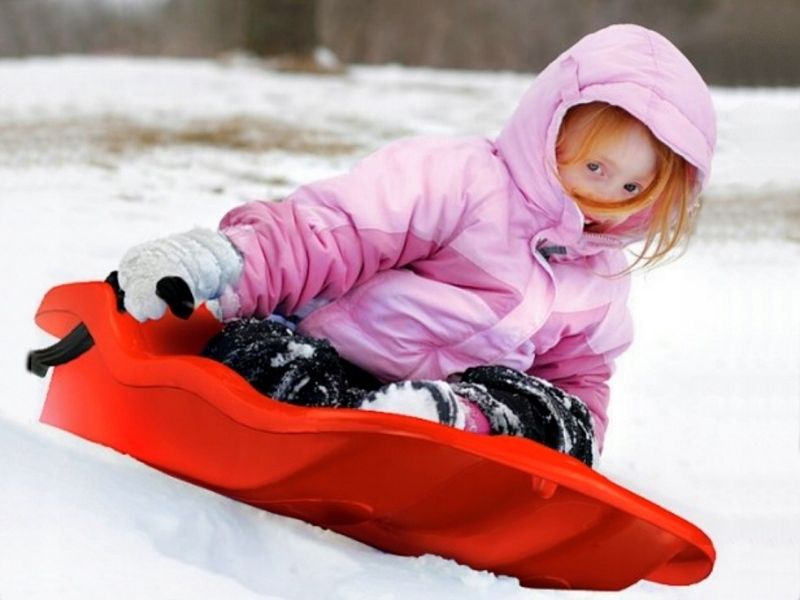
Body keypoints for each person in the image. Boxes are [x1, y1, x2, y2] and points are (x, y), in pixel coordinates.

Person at [117, 24, 716, 468]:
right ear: (551, 130)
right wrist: (222, 271)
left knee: (565, 417)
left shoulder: (602, 277)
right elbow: (327, 235)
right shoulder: (461, 182)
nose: (608, 198)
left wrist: (569, 439)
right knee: (258, 352)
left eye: (635, 186)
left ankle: (443, 426)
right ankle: (320, 424)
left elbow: (580, 374)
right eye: (595, 166)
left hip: (459, 406)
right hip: (335, 360)